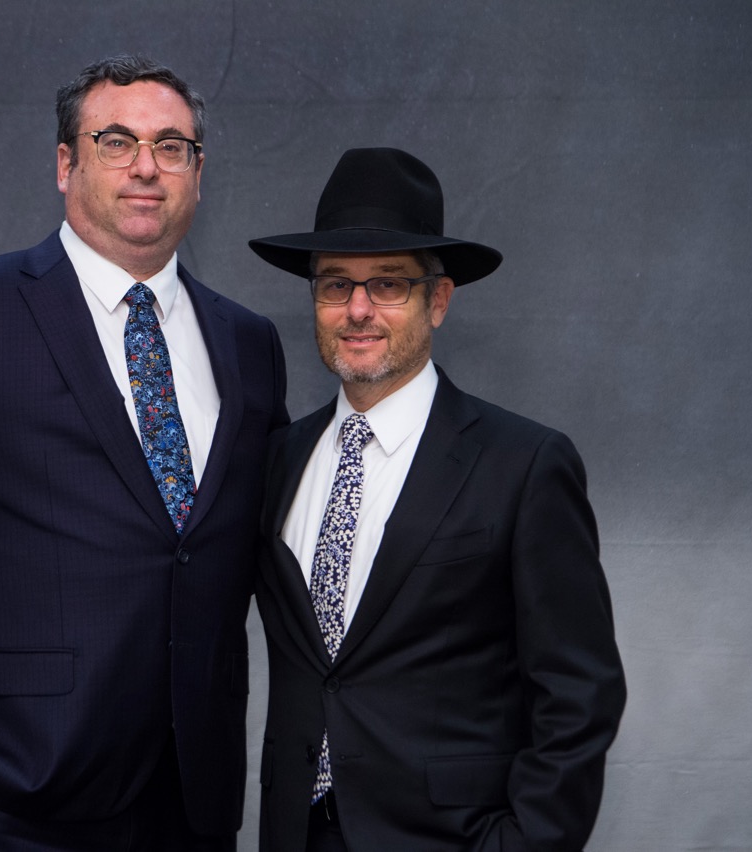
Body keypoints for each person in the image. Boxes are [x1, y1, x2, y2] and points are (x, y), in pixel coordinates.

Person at [0, 54, 288, 851]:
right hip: (2, 792)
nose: (146, 166)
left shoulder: (248, 343)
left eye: (172, 146)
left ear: (197, 173)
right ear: (65, 164)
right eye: (116, 141)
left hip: (188, 798)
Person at [247, 148, 625, 852]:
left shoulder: (523, 465)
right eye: (336, 284)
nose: (358, 309)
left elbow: (579, 695)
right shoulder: (277, 461)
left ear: (439, 300)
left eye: (388, 283)